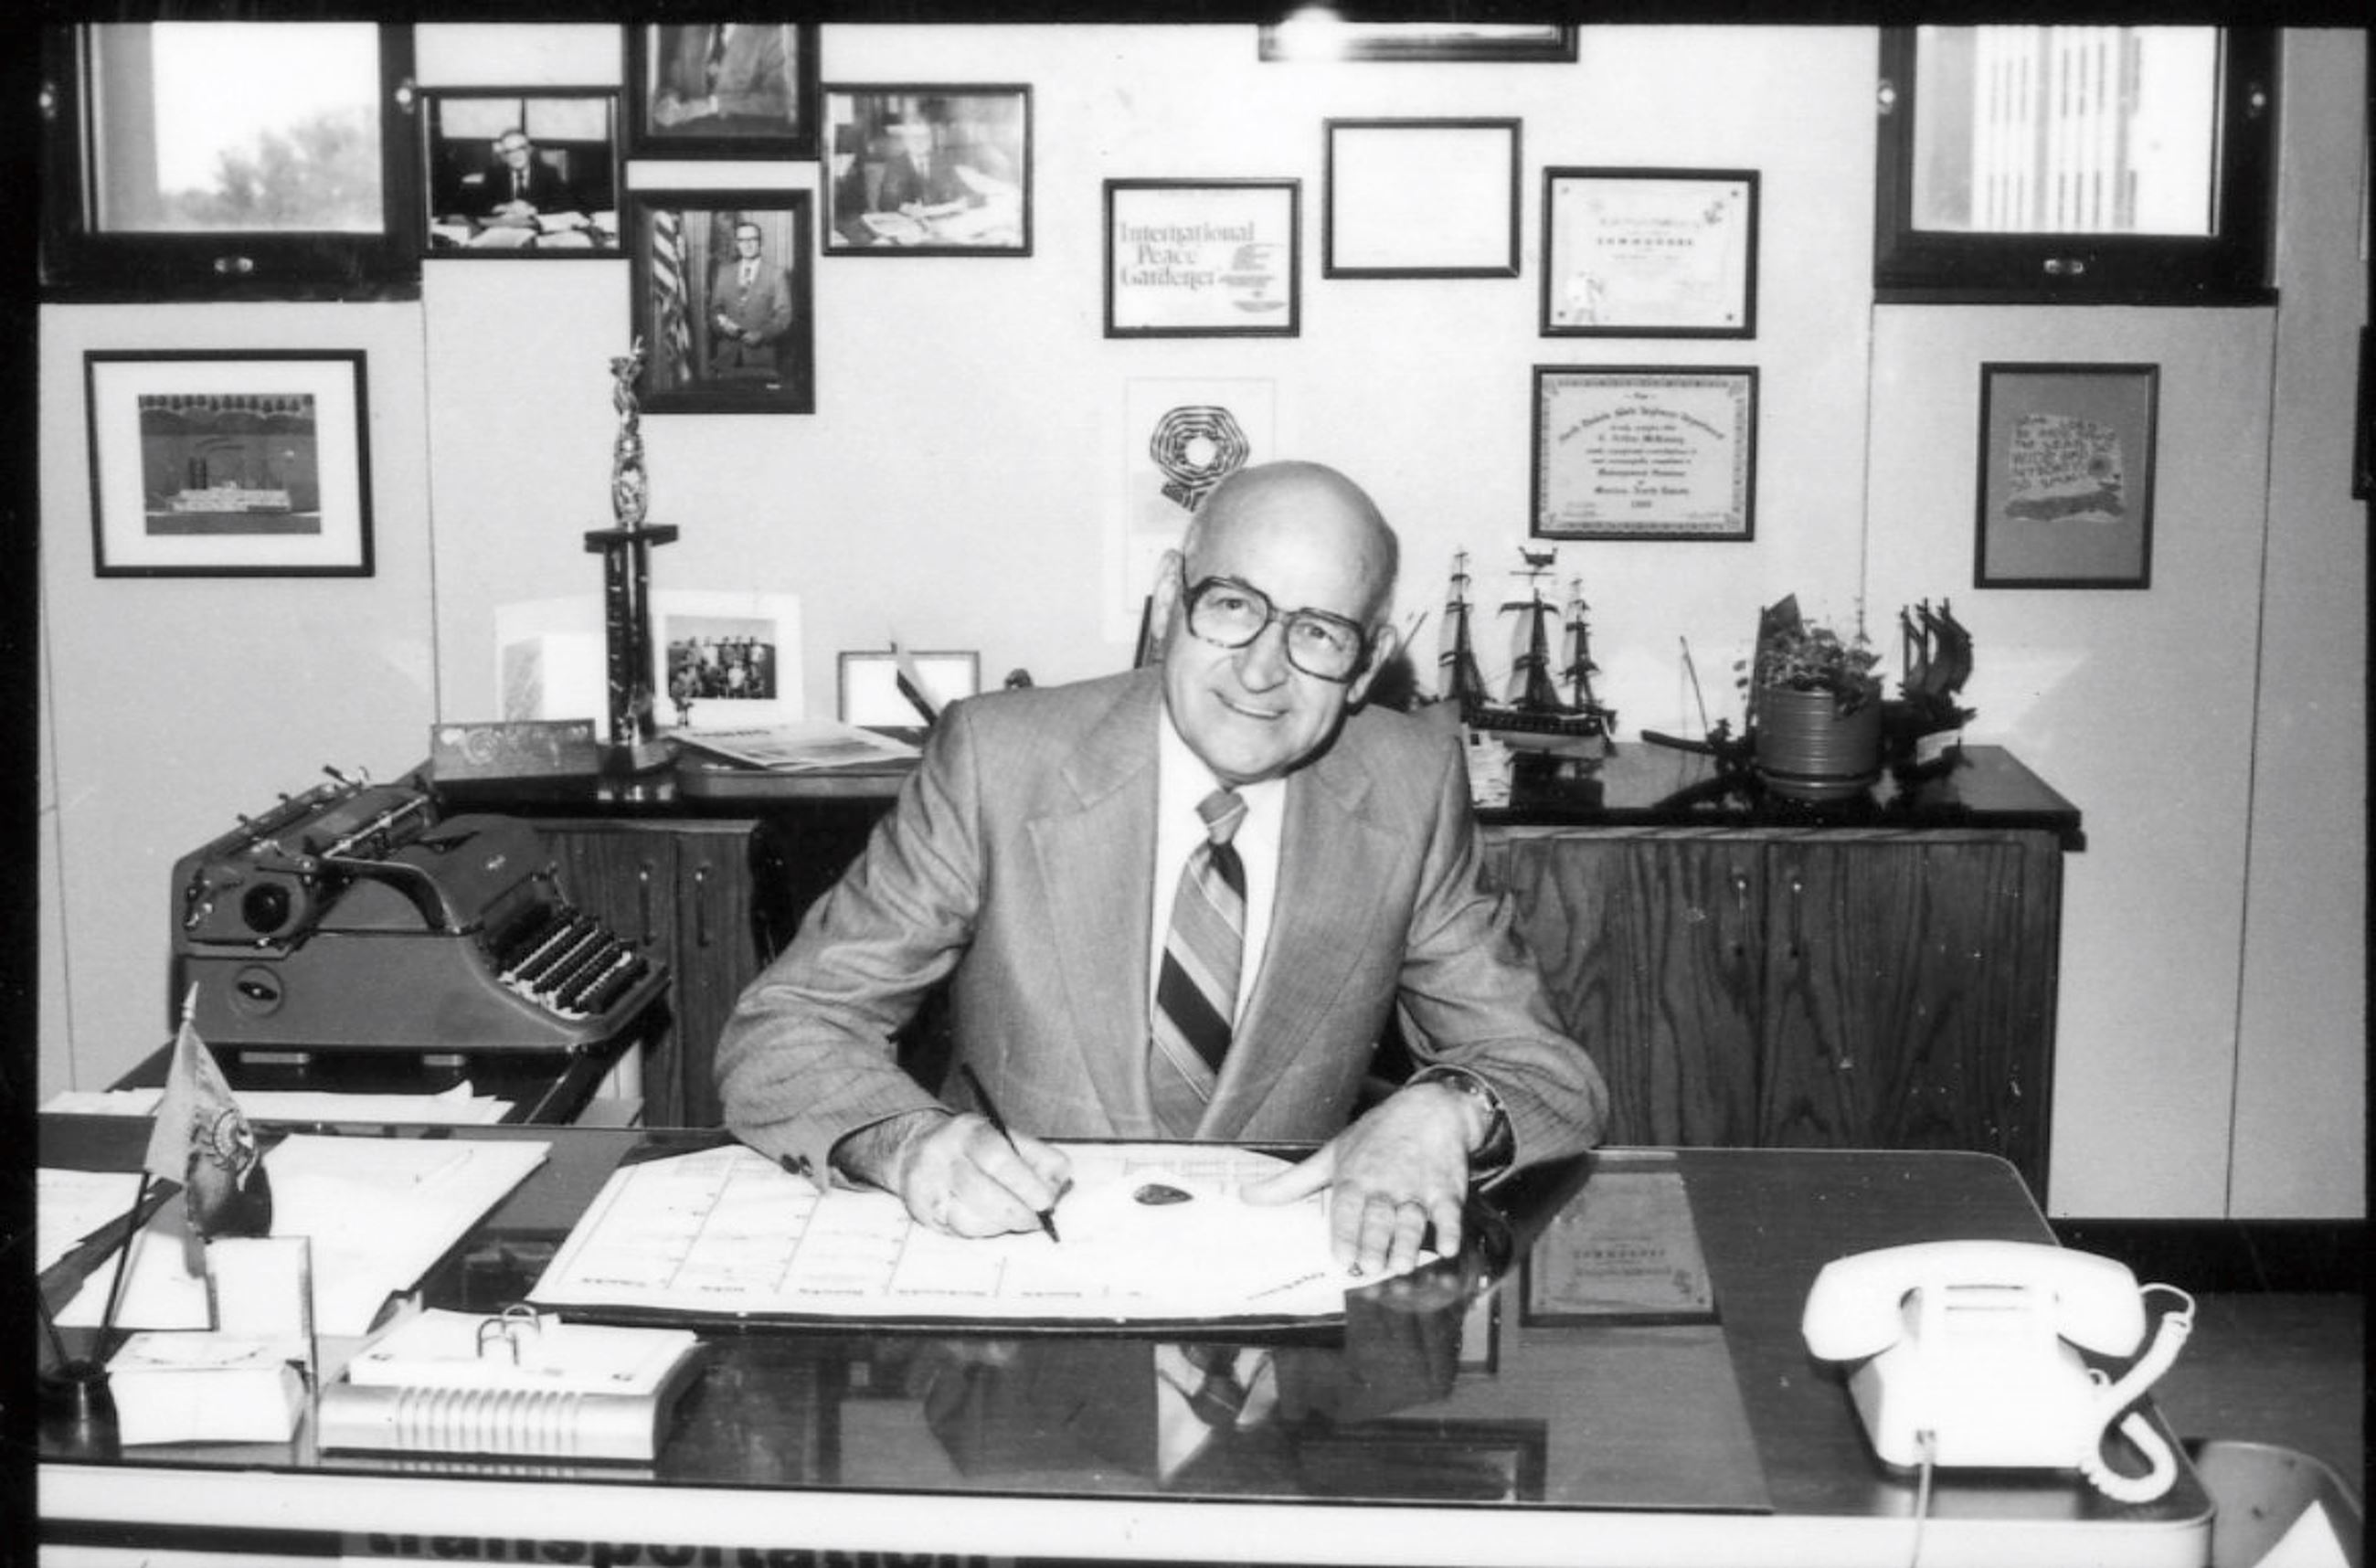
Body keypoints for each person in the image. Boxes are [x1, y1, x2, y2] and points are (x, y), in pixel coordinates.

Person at [716, 461, 1607, 1279]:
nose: (1261, 670)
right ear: (1169, 598)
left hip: (1269, 1302)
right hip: (1014, 1281)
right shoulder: (998, 758)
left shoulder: (1410, 785)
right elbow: (784, 1031)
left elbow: (1546, 1071)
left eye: (1318, 633)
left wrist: (1450, 1108)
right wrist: (908, 1144)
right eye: (1231, 605)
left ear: (1367, 661)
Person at [651, 24, 796, 133]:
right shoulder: (691, 29)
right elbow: (674, 83)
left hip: (743, 146)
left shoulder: (767, 32)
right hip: (691, 145)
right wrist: (669, 100)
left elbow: (779, 101)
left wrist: (713, 105)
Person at [705, 221, 793, 378]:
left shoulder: (776, 274)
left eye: (752, 239)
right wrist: (722, 326)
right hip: (726, 360)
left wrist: (761, 334)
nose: (747, 245)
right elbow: (714, 311)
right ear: (737, 244)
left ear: (761, 242)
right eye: (742, 240)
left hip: (762, 360)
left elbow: (784, 317)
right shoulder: (724, 272)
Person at [481, 128, 576, 227]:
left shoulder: (548, 173)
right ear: (504, 155)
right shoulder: (494, 173)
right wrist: (506, 207)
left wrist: (534, 210)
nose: (515, 155)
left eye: (520, 148)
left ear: (529, 150)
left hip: (536, 229)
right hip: (505, 229)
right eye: (509, 151)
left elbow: (565, 205)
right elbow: (482, 206)